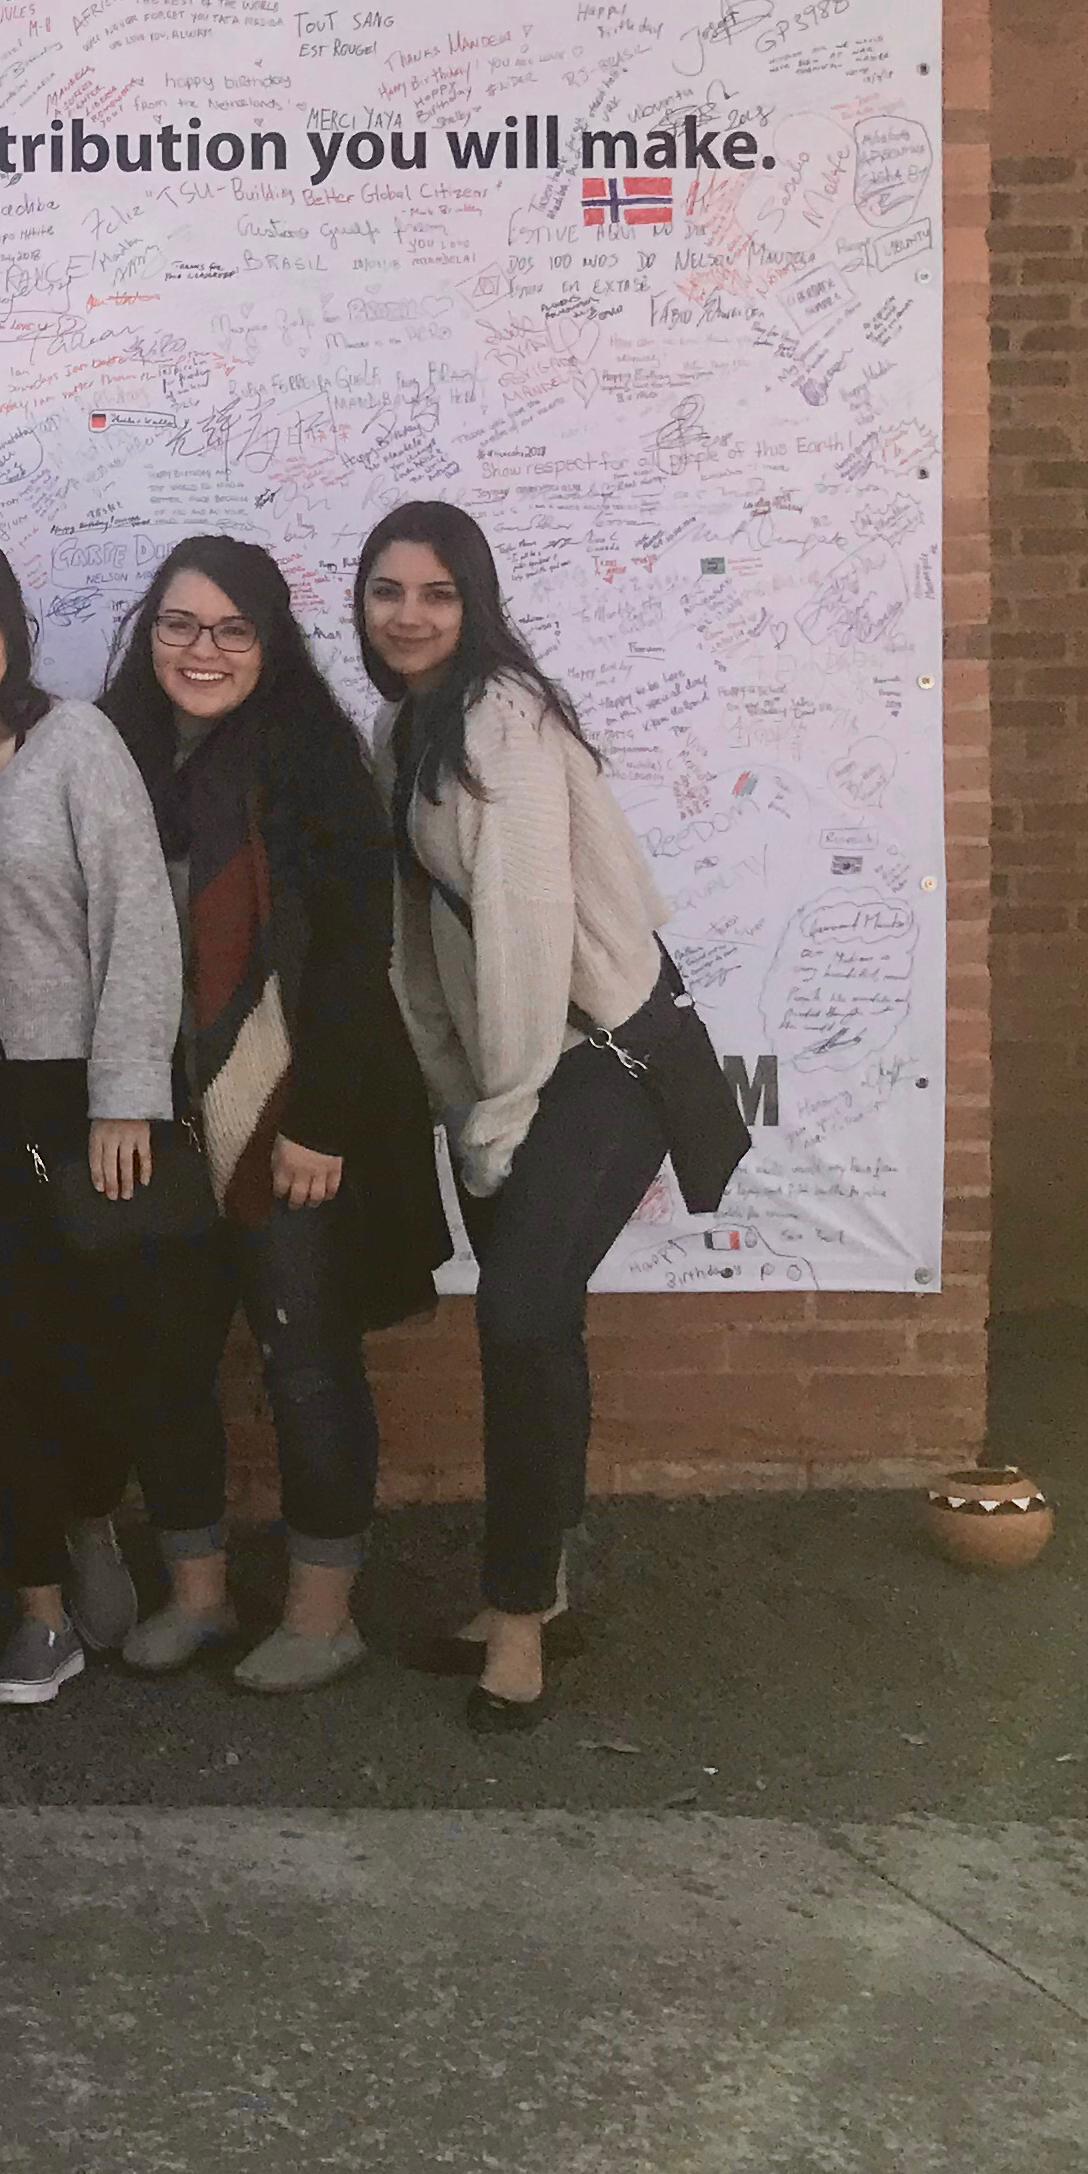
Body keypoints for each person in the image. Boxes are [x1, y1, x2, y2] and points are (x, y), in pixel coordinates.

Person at [94, 537, 448, 1696]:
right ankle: (198, 1594)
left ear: (270, 641)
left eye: (230, 628)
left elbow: (355, 955)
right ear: (149, 635)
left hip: (291, 1117)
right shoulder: (113, 753)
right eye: (179, 626)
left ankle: (321, 1611)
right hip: (153, 1117)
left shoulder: (311, 763)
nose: (202, 650)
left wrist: (324, 1123)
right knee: (157, 1359)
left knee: (306, 1358)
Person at [358, 499, 674, 1733]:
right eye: (389, 591)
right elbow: (417, 942)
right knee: (538, 1327)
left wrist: (499, 1112)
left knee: (519, 1316)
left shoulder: (504, 719)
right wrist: (455, 1086)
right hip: (517, 1067)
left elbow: (530, 943)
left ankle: (520, 1623)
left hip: (598, 1061)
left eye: (437, 594)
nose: (411, 615)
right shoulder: (407, 725)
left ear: (475, 603)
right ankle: (535, 1583)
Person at [0, 533, 192, 1709]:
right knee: (10, 1359)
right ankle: (39, 1614)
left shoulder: (74, 745)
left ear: (12, 633)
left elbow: (139, 925)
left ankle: (91, 1509)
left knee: (101, 1352)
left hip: (78, 1094)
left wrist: (126, 1097)